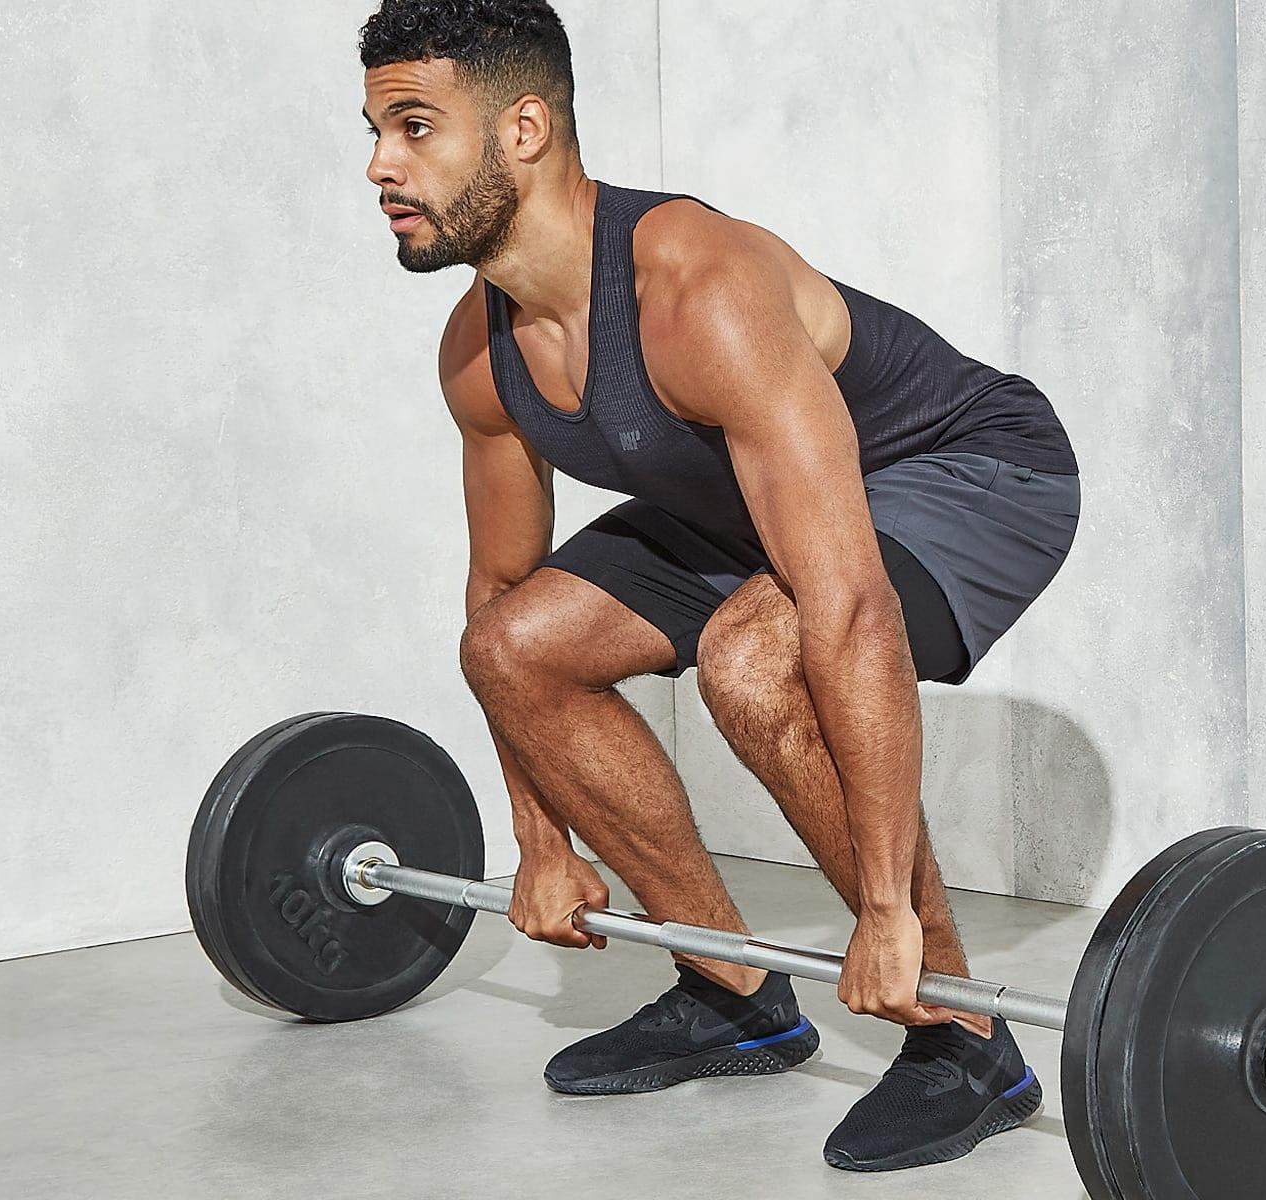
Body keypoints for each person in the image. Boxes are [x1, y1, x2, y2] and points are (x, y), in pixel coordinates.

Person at [358, 0, 1080, 1172]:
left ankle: (961, 1037)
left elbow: (843, 606)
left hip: (972, 469)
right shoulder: (478, 355)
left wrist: (889, 917)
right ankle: (735, 990)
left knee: (757, 656)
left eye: (414, 126)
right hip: (751, 500)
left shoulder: (698, 293)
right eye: (376, 129)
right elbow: (497, 593)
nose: (380, 164)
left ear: (525, 128)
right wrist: (539, 844)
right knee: (514, 648)